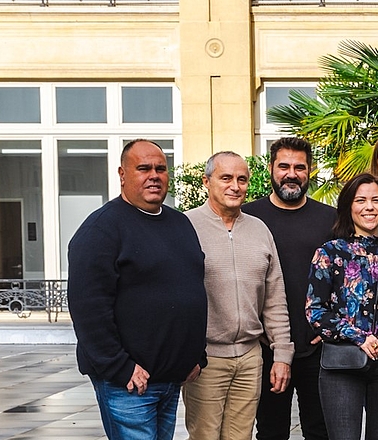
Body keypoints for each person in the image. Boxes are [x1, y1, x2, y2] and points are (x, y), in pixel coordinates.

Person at [67, 139, 207, 440]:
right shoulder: (101, 230)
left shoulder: (180, 224)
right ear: (122, 174)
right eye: (143, 168)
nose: (153, 175)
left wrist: (196, 355)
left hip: (171, 379)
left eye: (160, 168)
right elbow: (88, 310)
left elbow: (192, 291)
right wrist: (120, 367)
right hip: (128, 384)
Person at [185, 152, 293, 440]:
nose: (235, 186)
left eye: (242, 179)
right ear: (207, 181)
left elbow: (274, 299)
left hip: (250, 357)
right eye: (226, 178)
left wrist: (282, 354)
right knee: (204, 435)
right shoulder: (186, 227)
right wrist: (184, 354)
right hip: (205, 359)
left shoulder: (259, 229)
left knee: (240, 436)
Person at [244, 137, 336, 440]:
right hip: (265, 348)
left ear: (310, 171)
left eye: (300, 167)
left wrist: (330, 328)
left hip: (318, 348)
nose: (291, 173)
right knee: (270, 431)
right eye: (284, 166)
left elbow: (346, 279)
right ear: (271, 168)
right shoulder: (248, 218)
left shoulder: (330, 219)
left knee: (320, 430)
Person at [307, 173, 378, 440]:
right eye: (361, 200)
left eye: (376, 200)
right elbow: (315, 310)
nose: (369, 207)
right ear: (348, 206)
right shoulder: (330, 252)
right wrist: (359, 337)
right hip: (344, 359)